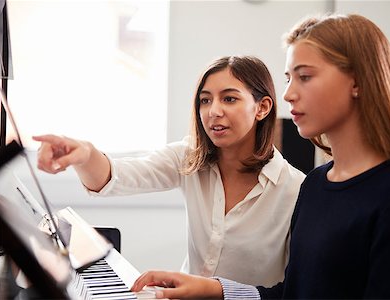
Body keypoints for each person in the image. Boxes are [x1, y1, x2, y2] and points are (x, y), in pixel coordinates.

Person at [130, 13, 390, 299]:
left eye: (305, 76)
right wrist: (213, 289)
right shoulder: (316, 185)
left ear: (357, 82)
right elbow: (291, 294)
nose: (288, 94)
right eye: (288, 78)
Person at [33, 55, 306, 287]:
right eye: (205, 100)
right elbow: (117, 176)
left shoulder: (296, 190)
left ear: (262, 107)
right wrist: (85, 154)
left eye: (230, 99)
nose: (213, 111)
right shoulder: (189, 157)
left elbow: (298, 288)